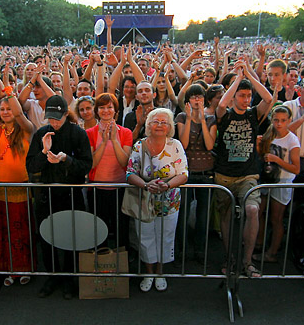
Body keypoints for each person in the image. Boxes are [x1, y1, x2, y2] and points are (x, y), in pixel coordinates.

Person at [26, 95, 93, 299]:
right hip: (47, 195)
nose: (53, 123)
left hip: (71, 194)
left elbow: (86, 165)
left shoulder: (78, 134)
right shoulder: (41, 134)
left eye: (57, 118)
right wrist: (44, 152)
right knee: (47, 237)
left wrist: (65, 159)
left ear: (65, 114)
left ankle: (70, 278)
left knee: (71, 238)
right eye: (50, 119)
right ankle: (53, 275)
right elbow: (30, 166)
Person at [213, 60, 274, 277]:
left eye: (248, 96)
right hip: (224, 175)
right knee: (227, 219)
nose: (246, 99)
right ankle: (230, 259)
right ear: (234, 96)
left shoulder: (253, 114)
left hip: (248, 174)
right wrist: (237, 78)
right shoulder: (225, 115)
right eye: (241, 95)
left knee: (252, 210)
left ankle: (247, 262)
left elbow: (268, 99)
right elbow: (221, 106)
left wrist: (249, 73)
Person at [125, 108, 188, 292]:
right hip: (144, 200)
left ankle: (160, 272)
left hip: (169, 202)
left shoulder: (175, 145)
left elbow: (183, 174)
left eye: (164, 122)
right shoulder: (139, 146)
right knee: (145, 237)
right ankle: (149, 272)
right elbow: (130, 173)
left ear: (170, 127)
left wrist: (167, 186)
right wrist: (146, 186)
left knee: (165, 237)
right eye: (155, 121)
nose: (159, 125)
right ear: (148, 125)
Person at [0, 78, 36, 286]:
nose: (6, 112)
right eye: (2, 109)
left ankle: (24, 269)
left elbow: (20, 114)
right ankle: (7, 268)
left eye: (8, 108)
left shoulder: (26, 129)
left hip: (20, 189)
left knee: (20, 231)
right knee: (3, 231)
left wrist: (8, 92)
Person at [175, 84, 217, 261]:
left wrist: (203, 120)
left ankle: (200, 250)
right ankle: (181, 250)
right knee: (182, 214)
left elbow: (209, 145)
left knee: (203, 216)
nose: (196, 100)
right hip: (186, 173)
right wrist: (191, 119)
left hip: (206, 172)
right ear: (188, 100)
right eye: (193, 97)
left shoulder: (212, 119)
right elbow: (183, 144)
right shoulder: (182, 117)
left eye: (199, 97)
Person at [86, 93, 132, 250]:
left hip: (120, 189)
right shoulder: (90, 133)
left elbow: (124, 162)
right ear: (97, 111)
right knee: (99, 227)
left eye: (109, 107)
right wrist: (104, 141)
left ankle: (122, 263)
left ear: (115, 111)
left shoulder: (125, 132)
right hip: (97, 188)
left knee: (121, 228)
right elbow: (91, 163)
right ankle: (101, 260)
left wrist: (114, 140)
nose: (106, 111)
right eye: (102, 107)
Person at [256, 105, 301, 264]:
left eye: (283, 121)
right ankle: (259, 243)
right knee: (259, 212)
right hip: (267, 179)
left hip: (283, 181)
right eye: (276, 120)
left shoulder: (292, 140)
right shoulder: (269, 133)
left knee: (276, 218)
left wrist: (277, 160)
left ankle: (272, 253)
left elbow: (296, 168)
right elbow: (262, 156)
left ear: (289, 121)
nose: (279, 124)